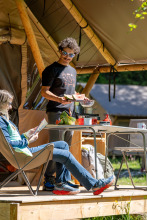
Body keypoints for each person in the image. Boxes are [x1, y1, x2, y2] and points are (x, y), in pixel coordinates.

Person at [0, 89, 114, 195]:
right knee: (65, 154)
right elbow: (10, 144)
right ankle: (94, 184)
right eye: (8, 103)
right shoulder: (0, 121)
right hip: (23, 155)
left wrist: (28, 134)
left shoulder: (2, 119)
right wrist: (26, 140)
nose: (10, 107)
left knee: (63, 145)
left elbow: (14, 140)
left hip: (24, 151)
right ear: (1, 104)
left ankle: (61, 183)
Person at [41, 37, 88, 191]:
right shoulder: (51, 69)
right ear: (60, 51)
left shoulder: (73, 71)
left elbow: (70, 92)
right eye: (65, 53)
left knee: (66, 148)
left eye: (71, 54)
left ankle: (63, 180)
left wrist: (80, 97)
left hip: (70, 113)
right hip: (56, 112)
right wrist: (57, 98)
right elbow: (44, 92)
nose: (68, 56)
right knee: (55, 148)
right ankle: (49, 180)